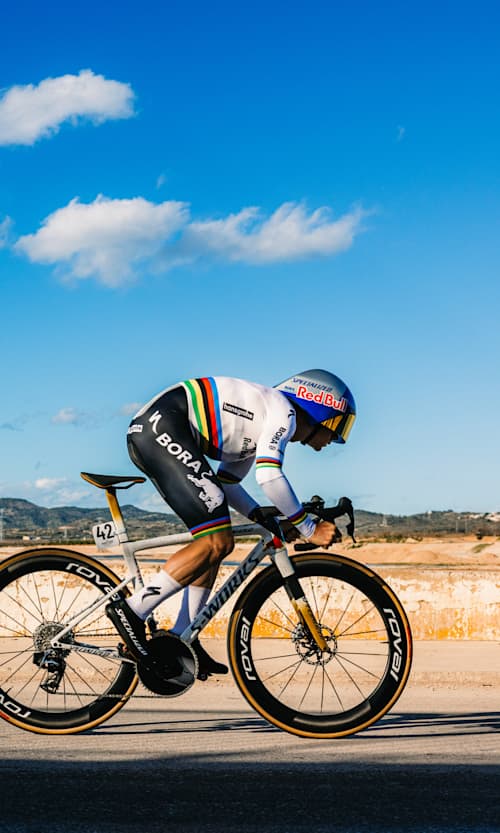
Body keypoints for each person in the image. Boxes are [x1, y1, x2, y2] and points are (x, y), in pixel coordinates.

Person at [107, 369, 356, 678]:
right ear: (321, 407)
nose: (336, 438)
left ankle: (183, 635)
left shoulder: (257, 422)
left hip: (161, 427)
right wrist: (308, 528)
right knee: (217, 540)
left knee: (215, 541)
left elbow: (226, 484)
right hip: (162, 427)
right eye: (338, 425)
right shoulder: (284, 411)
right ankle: (132, 611)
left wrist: (259, 514)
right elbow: (269, 476)